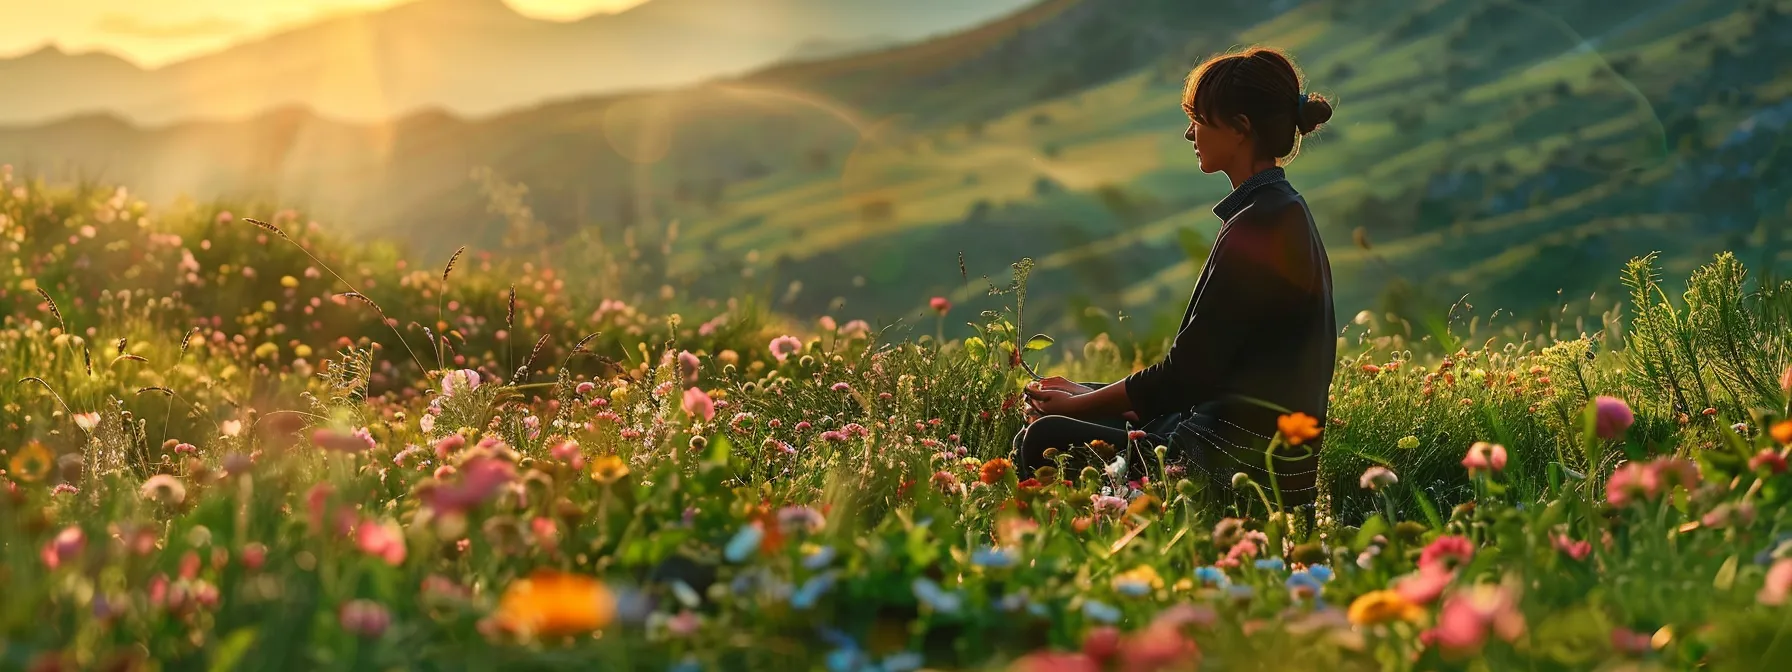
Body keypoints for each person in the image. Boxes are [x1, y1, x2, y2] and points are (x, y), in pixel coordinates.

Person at [1012, 46, 1337, 509]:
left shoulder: (1260, 224)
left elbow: (1183, 378)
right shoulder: (1275, 210)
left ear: (1241, 127)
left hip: (1231, 459)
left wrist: (1075, 406)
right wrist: (1082, 394)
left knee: (1044, 435)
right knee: (1064, 408)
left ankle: (1061, 558)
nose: (1190, 133)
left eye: (1200, 119)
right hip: (1236, 438)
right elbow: (1198, 374)